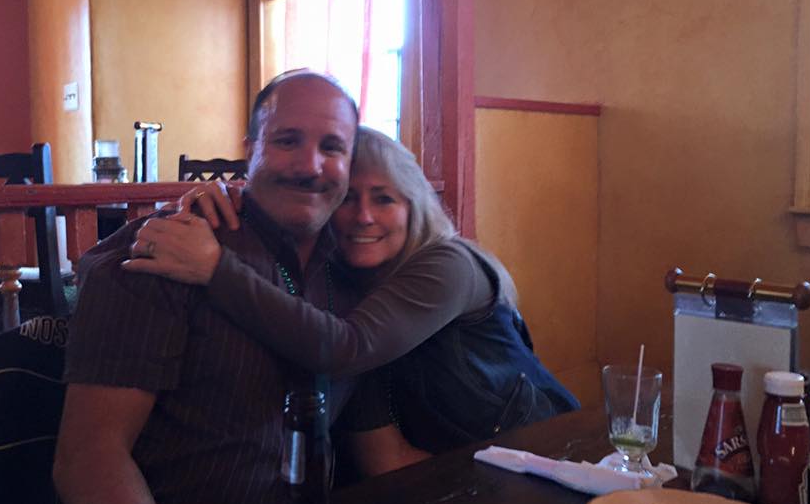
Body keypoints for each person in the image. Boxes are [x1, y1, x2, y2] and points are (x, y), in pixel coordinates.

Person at [127, 125, 579, 475]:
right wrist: (236, 203)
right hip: (466, 477)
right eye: (347, 198)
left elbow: (348, 349)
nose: (363, 216)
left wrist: (214, 269)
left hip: (554, 459)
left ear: (414, 207)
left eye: (384, 199)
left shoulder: (449, 264)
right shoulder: (343, 291)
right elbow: (383, 458)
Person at [53, 70, 360, 504]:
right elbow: (89, 461)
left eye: (332, 147)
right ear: (250, 150)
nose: (310, 165)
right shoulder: (167, 249)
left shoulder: (355, 263)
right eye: (287, 141)